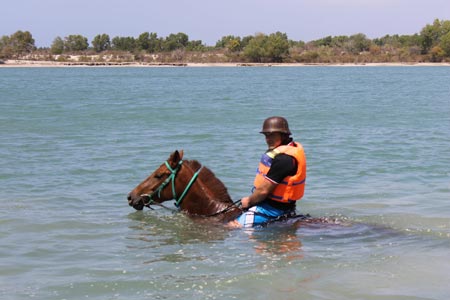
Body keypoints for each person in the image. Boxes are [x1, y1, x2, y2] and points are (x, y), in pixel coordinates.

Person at [236, 116, 307, 228]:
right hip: (279, 206)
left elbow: (264, 191)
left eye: (272, 135)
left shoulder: (284, 159)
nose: (268, 139)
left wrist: (248, 201)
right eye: (266, 135)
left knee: (231, 226)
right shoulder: (289, 150)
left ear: (283, 135)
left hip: (272, 210)